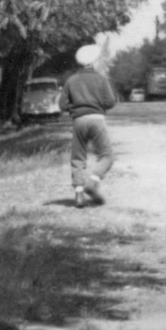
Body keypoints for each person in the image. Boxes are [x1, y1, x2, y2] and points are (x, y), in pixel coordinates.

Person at [62, 43, 119, 207]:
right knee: (107, 156)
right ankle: (93, 181)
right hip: (97, 120)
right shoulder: (101, 79)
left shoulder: (71, 80)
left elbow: (62, 105)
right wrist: (98, 105)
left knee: (78, 157)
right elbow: (110, 102)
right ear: (94, 61)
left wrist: (76, 108)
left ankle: (79, 195)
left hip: (79, 121)